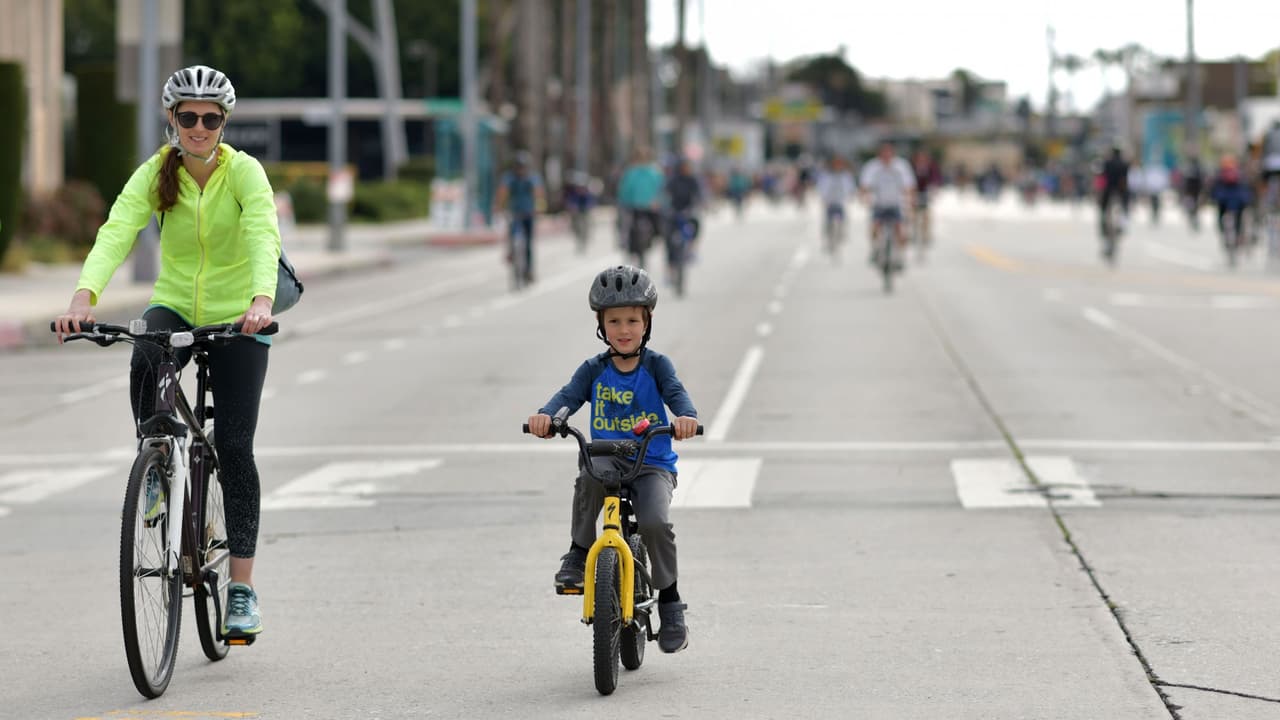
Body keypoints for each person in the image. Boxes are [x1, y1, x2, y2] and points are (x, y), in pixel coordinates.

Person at [52, 64, 279, 640]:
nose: (199, 127)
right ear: (172, 119)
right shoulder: (157, 171)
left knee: (234, 446)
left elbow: (263, 234)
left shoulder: (244, 172)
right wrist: (83, 297)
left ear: (224, 123)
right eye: (188, 116)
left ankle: (242, 589)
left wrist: (260, 300)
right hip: (175, 302)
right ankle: (156, 465)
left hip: (238, 314)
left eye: (210, 118)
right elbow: (117, 230)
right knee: (144, 353)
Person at [526, 265, 699, 654]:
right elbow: (567, 398)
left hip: (651, 463)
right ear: (601, 325)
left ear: (647, 323)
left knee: (655, 523)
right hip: (606, 459)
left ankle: (670, 600)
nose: (624, 329)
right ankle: (579, 551)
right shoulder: (594, 369)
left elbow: (677, 395)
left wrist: (685, 418)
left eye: (632, 321)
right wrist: (547, 417)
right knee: (588, 478)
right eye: (614, 321)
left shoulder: (656, 366)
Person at [858, 141, 915, 267]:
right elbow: (865, 184)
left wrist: (910, 199)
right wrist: (864, 196)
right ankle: (875, 249)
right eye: (884, 153)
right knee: (874, 227)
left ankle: (900, 256)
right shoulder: (872, 167)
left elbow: (909, 185)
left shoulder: (901, 166)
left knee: (901, 230)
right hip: (879, 203)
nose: (886, 156)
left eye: (889, 153)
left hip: (896, 203)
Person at [494, 151, 545, 283]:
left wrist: (539, 208)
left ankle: (528, 270)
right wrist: (498, 207)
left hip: (528, 213)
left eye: (523, 167)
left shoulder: (532, 178)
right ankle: (511, 252)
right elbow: (503, 192)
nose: (521, 170)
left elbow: (538, 193)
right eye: (518, 167)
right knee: (512, 235)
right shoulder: (509, 177)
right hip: (515, 213)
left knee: (528, 243)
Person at [616, 147, 665, 265]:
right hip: (633, 206)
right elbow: (624, 190)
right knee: (625, 224)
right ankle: (625, 244)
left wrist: (658, 201)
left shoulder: (654, 172)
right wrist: (623, 202)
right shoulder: (631, 173)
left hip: (650, 207)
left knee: (659, 225)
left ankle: (655, 240)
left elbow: (661, 188)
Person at [663, 157, 703, 273]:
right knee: (669, 237)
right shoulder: (673, 180)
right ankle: (670, 268)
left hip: (688, 211)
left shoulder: (693, 180)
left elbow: (699, 194)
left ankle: (691, 249)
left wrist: (699, 204)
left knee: (695, 224)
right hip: (674, 211)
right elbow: (665, 193)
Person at [1209, 155, 1252, 249]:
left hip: (1223, 200)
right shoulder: (1240, 174)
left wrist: (1212, 198)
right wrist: (1247, 200)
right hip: (1238, 201)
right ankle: (1238, 237)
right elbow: (1245, 189)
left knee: (1221, 218)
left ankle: (1227, 235)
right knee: (1238, 220)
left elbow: (1213, 189)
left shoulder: (1220, 174)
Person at [815, 155, 856, 246]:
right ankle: (828, 235)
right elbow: (821, 187)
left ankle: (841, 232)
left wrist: (851, 195)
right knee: (828, 220)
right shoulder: (826, 175)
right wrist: (823, 198)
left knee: (842, 219)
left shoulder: (846, 175)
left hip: (840, 202)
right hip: (829, 202)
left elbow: (850, 187)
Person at [1097, 145, 1130, 239]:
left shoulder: (1107, 163)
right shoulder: (1124, 163)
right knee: (1125, 206)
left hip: (1109, 188)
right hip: (1121, 188)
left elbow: (1102, 176)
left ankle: (1103, 225)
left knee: (1103, 208)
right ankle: (1123, 224)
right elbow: (1125, 178)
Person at [911, 148, 942, 244]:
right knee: (913, 213)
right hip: (914, 191)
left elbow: (936, 178)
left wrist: (934, 188)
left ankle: (925, 234)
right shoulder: (912, 167)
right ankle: (914, 231)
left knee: (926, 214)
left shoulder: (931, 166)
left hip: (925, 192)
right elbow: (908, 179)